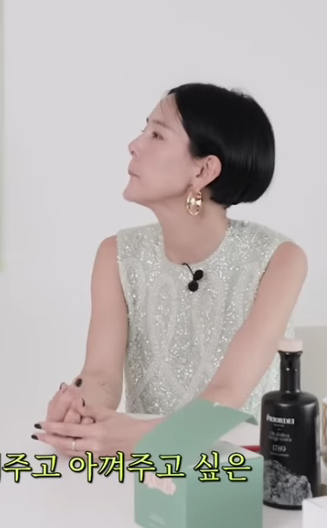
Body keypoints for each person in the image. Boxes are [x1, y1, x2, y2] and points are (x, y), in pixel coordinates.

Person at [35, 83, 307, 456]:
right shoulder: (116, 255)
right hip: (148, 472)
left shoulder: (279, 259)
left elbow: (229, 393)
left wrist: (144, 436)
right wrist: (78, 410)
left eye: (157, 135)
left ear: (204, 170)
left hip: (239, 466)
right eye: (144, 130)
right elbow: (101, 376)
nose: (134, 144)